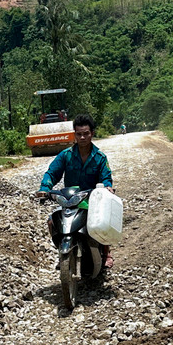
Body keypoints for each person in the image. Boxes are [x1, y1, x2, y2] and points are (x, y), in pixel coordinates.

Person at [37, 113, 116, 268]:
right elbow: (52, 173)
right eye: (78, 134)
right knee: (52, 222)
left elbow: (106, 177)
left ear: (92, 133)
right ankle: (63, 252)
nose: (82, 138)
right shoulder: (65, 155)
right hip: (70, 200)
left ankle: (106, 252)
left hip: (92, 199)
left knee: (102, 222)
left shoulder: (100, 157)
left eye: (86, 134)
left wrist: (107, 187)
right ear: (74, 135)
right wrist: (45, 188)